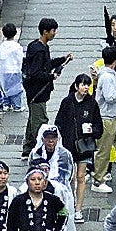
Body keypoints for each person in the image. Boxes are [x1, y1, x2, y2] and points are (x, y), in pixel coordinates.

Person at [54, 74, 103, 224]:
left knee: (81, 177)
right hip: (69, 146)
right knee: (71, 178)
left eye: (87, 85)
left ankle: (78, 209)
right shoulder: (67, 102)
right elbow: (58, 122)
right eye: (82, 84)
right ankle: (69, 205)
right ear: (76, 86)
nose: (85, 87)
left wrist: (91, 131)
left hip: (85, 146)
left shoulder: (92, 103)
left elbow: (99, 127)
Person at [21, 19, 73, 158]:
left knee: (33, 118)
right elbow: (36, 72)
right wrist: (51, 76)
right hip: (37, 93)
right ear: (45, 31)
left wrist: (62, 59)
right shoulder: (39, 50)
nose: (54, 33)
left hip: (36, 92)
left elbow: (46, 65)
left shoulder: (37, 46)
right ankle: (39, 151)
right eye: (53, 31)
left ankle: (27, 148)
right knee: (40, 121)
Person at [91, 46, 116, 194]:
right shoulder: (107, 77)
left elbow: (115, 98)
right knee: (104, 150)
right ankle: (98, 180)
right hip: (106, 118)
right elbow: (110, 97)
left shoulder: (110, 74)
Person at [0, 23, 24, 112]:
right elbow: (20, 59)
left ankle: (6, 104)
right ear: (15, 33)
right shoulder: (17, 47)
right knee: (16, 89)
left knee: (4, 88)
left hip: (3, 70)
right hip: (14, 70)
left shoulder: (2, 46)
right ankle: (16, 105)